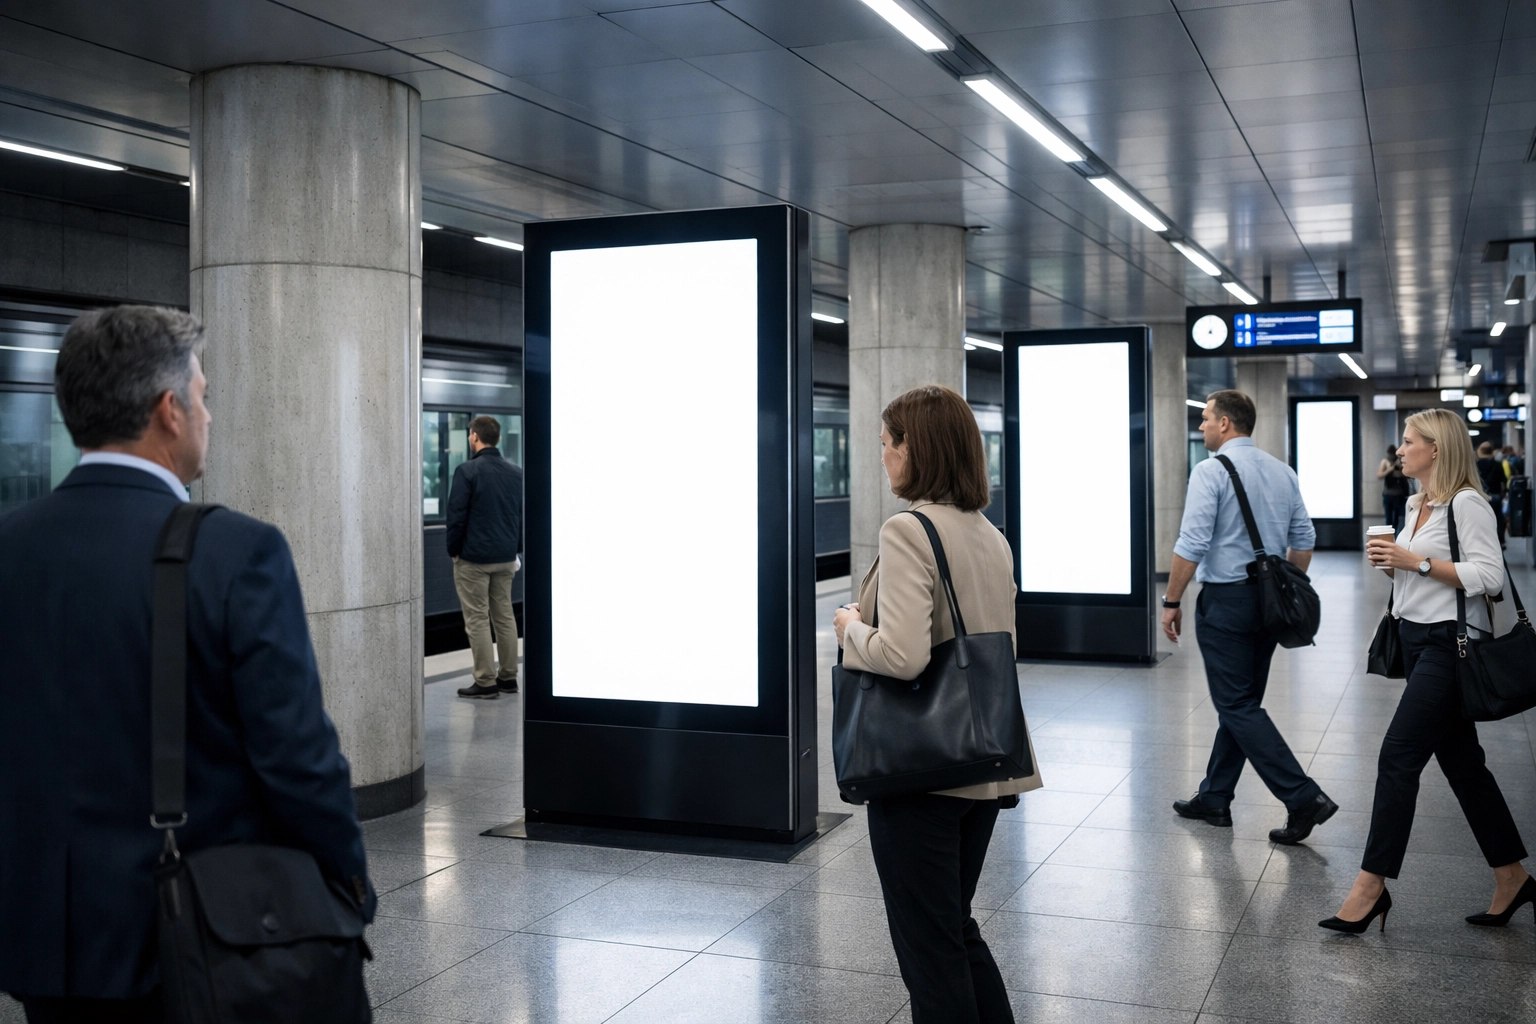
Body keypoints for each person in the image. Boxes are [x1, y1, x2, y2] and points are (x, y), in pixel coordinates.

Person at [0, 306, 374, 1023]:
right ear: (168, 411)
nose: (209, 414)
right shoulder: (235, 552)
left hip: (44, 944)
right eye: (203, 396)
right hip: (196, 939)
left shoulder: (11, 548)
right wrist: (349, 879)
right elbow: (297, 757)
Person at [833, 385, 1038, 1024]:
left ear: (914, 450)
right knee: (954, 927)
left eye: (889, 444)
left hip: (920, 769)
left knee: (929, 947)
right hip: (981, 762)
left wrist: (847, 629)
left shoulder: (908, 531)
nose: (883, 457)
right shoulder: (989, 534)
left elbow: (903, 656)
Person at [1323, 409, 1530, 932]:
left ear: (1437, 449)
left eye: (1410, 441)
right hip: (1414, 639)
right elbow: (1418, 574)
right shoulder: (1417, 502)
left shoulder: (1467, 503)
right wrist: (1396, 563)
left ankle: (1371, 887)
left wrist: (1412, 562)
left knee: (1398, 755)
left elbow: (1487, 574)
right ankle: (1512, 876)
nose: (1401, 449)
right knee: (1463, 764)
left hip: (1448, 644)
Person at [1161, 390, 1337, 844]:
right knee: (1240, 703)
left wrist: (1171, 600)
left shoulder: (1210, 471)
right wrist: (1280, 590)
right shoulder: (1282, 471)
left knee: (1235, 704)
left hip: (1226, 602)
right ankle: (1215, 795)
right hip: (1266, 606)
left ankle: (1302, 796)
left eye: (1204, 420)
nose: (1200, 427)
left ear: (1225, 424)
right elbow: (1304, 539)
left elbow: (1192, 542)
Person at [446, 414, 524, 699]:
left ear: (475, 437)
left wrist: (453, 549)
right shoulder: (516, 472)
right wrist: (515, 547)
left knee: (477, 618)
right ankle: (508, 678)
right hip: (505, 557)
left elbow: (456, 516)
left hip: (474, 559)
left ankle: (485, 681)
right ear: (499, 438)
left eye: (470, 435)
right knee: (504, 616)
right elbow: (521, 516)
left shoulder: (467, 471)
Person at [1476, 441, 1508, 547]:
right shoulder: (1498, 464)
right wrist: (1504, 492)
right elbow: (1503, 479)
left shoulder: (1476, 464)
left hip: (1481, 495)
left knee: (1482, 518)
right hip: (1496, 495)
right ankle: (1500, 540)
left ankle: (1484, 541)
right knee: (1498, 518)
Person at [1379, 444, 1410, 534]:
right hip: (1388, 494)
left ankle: (1395, 537)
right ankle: (1389, 537)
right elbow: (1380, 474)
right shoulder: (1385, 462)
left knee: (1397, 519)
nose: (1392, 456)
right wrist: (1390, 469)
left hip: (1399, 495)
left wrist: (1400, 469)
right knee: (1388, 519)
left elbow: (1405, 475)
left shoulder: (1400, 462)